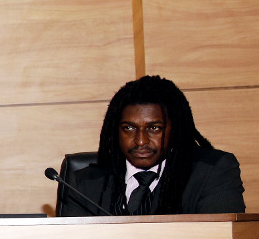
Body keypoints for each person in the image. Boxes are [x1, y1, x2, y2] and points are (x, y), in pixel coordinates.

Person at [58, 75, 245, 216]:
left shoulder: (211, 173)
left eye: (154, 128)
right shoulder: (84, 185)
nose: (141, 141)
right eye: (129, 128)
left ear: (176, 129)